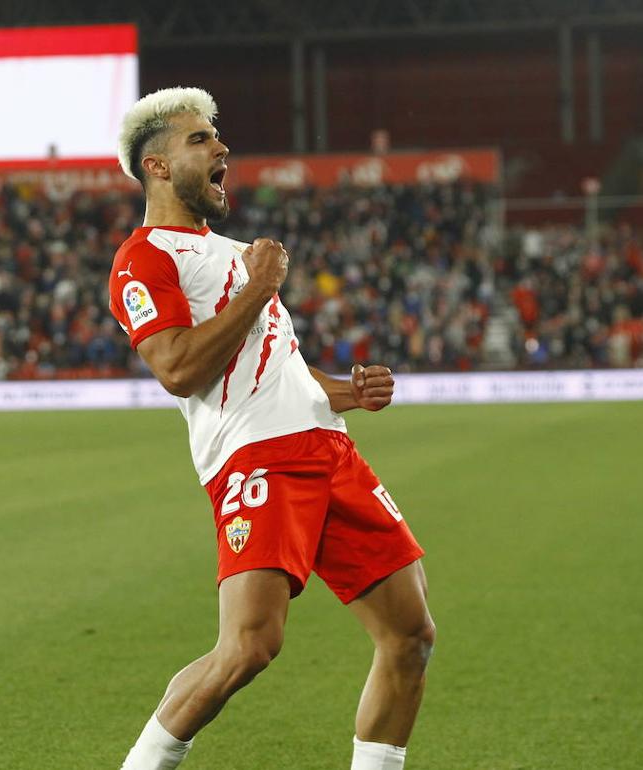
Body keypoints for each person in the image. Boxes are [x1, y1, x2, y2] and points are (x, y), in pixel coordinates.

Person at [109, 87, 434, 770]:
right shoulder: (144, 260)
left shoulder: (236, 252)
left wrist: (349, 393)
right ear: (158, 167)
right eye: (200, 140)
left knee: (409, 634)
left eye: (216, 136)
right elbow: (176, 367)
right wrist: (256, 288)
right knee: (249, 646)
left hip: (329, 450)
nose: (220, 147)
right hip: (257, 459)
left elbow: (280, 368)